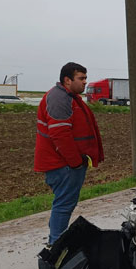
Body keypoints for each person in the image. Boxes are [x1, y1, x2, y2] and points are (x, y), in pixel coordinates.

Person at [34, 62, 104, 245]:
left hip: (66, 164)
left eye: (85, 78)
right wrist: (74, 162)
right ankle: (56, 246)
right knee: (64, 205)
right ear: (67, 80)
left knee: (63, 204)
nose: (85, 83)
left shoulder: (69, 97)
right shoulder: (59, 99)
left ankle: (56, 239)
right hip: (62, 165)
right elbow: (60, 134)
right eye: (81, 78)